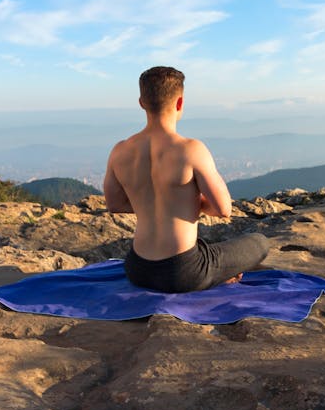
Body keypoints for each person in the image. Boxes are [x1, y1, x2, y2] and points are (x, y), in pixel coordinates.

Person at [103, 66, 270, 293]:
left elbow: (114, 204)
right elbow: (223, 209)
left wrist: (150, 204)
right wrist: (188, 205)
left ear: (141, 102)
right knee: (259, 242)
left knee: (207, 250)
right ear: (180, 103)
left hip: (137, 269)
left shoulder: (120, 151)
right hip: (183, 273)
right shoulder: (191, 150)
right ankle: (218, 276)